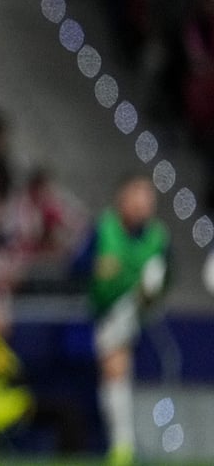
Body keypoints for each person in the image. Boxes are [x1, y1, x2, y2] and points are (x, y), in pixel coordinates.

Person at [72, 175, 169, 466]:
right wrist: (95, 266)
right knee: (115, 367)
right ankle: (123, 445)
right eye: (137, 196)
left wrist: (154, 290)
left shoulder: (157, 236)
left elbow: (169, 275)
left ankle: (123, 444)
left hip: (142, 310)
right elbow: (76, 266)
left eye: (148, 198)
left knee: (116, 370)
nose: (143, 204)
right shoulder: (104, 228)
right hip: (110, 311)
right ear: (122, 200)